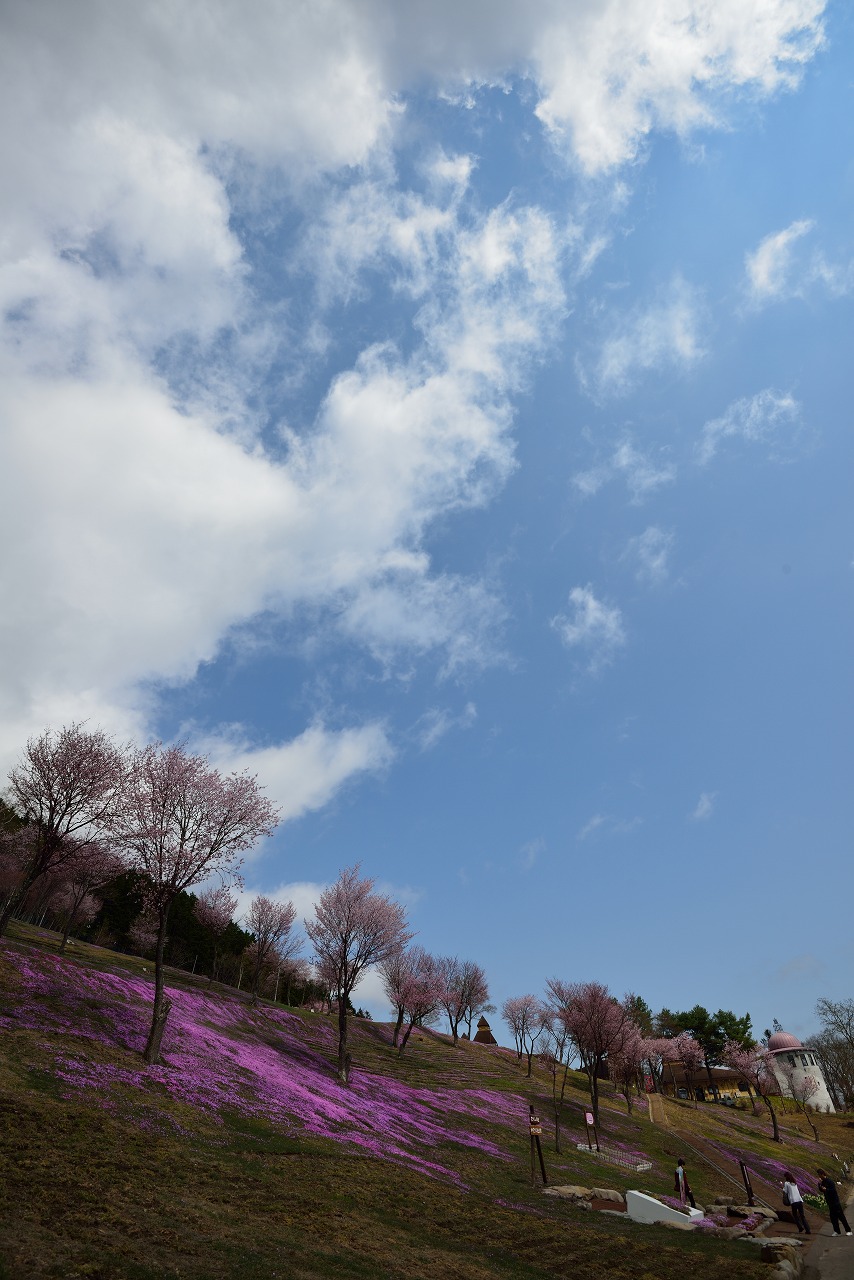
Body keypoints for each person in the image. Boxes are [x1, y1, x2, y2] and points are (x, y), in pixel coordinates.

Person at [817, 1168, 852, 1236]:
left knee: (841, 1217)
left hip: (835, 1202)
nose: (819, 1176)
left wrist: (826, 1189)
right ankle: (837, 1231)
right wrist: (819, 1185)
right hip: (830, 1203)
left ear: (822, 1174)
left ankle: (848, 1230)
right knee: (833, 1218)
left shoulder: (830, 1181)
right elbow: (822, 1190)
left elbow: (833, 1190)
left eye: (819, 1175)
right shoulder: (823, 1182)